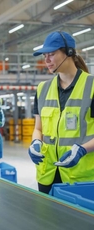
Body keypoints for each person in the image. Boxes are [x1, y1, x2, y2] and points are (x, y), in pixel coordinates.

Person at [29, 31, 94, 194]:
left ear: (69, 52)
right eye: (45, 56)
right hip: (47, 174)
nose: (47, 60)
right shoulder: (42, 89)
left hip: (80, 178)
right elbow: (38, 128)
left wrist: (82, 149)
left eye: (51, 54)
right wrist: (35, 143)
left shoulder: (92, 86)